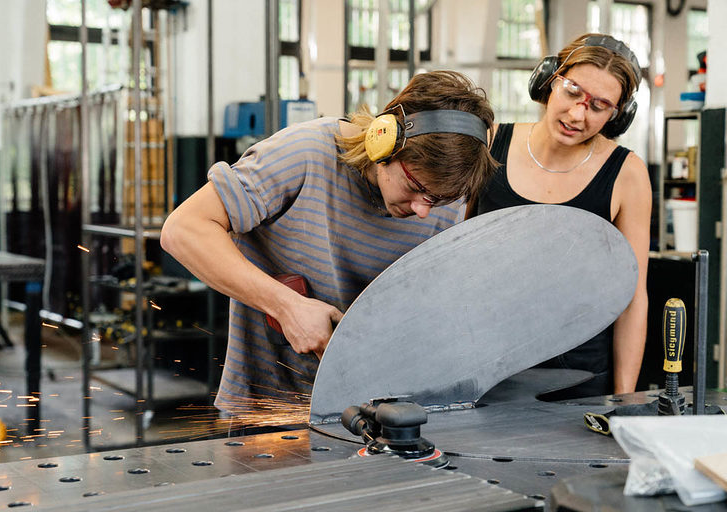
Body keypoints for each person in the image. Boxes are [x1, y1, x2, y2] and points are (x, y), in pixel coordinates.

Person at [161, 70, 498, 415]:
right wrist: (286, 306)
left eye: (439, 199)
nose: (423, 211)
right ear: (384, 139)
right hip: (272, 412)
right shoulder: (304, 153)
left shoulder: (445, 195)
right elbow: (184, 229)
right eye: (415, 188)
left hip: (385, 412)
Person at [466, 33, 651, 397]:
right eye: (572, 92)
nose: (578, 114)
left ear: (618, 116)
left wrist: (623, 400)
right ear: (549, 81)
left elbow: (632, 297)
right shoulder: (490, 145)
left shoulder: (626, 173)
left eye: (599, 106)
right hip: (485, 363)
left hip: (580, 373)